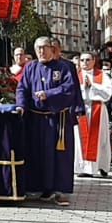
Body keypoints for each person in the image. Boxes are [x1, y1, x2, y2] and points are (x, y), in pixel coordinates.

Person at [13, 37, 82, 205]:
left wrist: (48, 94)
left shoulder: (64, 67)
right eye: (38, 48)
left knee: (59, 157)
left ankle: (61, 191)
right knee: (37, 154)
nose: (41, 51)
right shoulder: (31, 68)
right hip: (36, 119)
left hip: (58, 119)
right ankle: (40, 188)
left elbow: (69, 89)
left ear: (52, 49)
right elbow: (22, 88)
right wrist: (21, 105)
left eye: (44, 48)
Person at [75, 52, 112, 179]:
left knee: (101, 139)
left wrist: (93, 86)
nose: (85, 63)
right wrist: (82, 87)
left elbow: (107, 93)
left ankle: (102, 166)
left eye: (88, 60)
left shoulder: (102, 75)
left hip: (98, 108)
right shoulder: (75, 75)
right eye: (82, 60)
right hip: (81, 109)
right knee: (81, 139)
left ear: (94, 60)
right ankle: (84, 167)